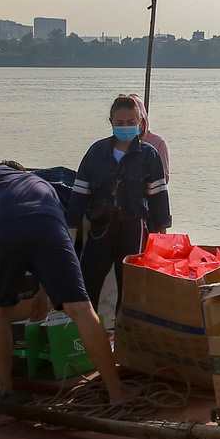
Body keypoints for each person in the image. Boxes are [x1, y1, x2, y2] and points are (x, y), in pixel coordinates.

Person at [0, 161, 125, 409]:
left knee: (0, 312)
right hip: (48, 225)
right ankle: (116, 392)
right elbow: (46, 239)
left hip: (4, 229)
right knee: (82, 310)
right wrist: (46, 291)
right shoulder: (43, 184)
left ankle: (5, 391)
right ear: (23, 173)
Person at [74, 94, 171, 313]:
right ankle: (87, 335)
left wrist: (161, 236)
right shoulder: (96, 152)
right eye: (119, 123)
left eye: (130, 123)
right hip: (100, 228)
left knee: (129, 290)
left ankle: (124, 336)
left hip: (134, 227)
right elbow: (79, 193)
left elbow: (159, 199)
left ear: (140, 123)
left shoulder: (150, 155)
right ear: (111, 122)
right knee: (88, 283)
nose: (125, 127)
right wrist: (72, 230)